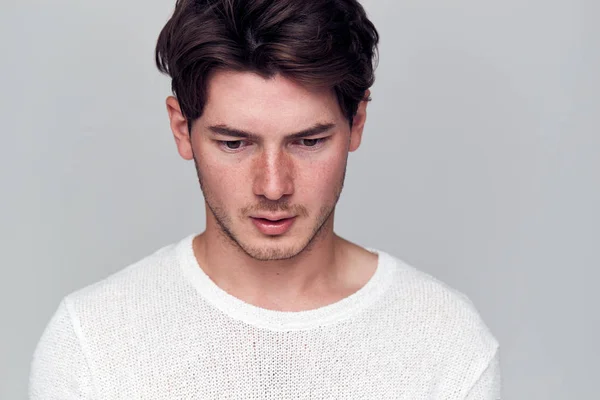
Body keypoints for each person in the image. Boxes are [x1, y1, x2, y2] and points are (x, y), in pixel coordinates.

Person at [29, 0, 501, 398]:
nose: (273, 187)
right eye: (234, 143)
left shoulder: (446, 340)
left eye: (309, 142)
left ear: (356, 123)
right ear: (182, 129)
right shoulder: (92, 342)